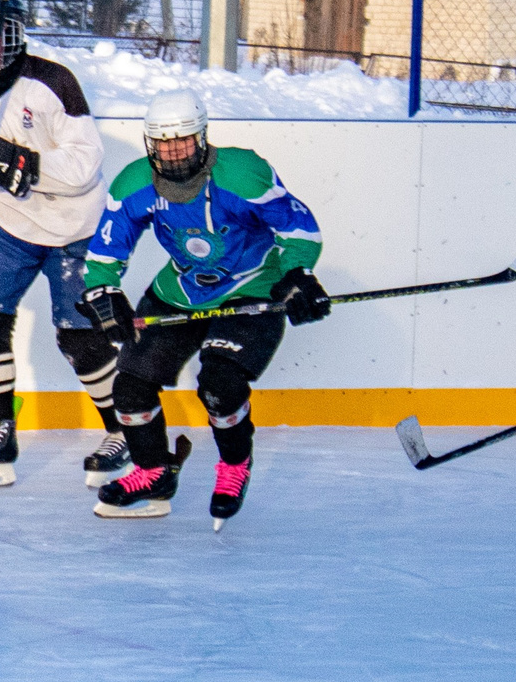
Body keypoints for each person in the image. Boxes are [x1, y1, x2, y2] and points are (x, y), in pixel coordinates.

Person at [80, 88, 329, 525]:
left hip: (252, 290)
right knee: (130, 387)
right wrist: (104, 292)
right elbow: (106, 249)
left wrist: (296, 275)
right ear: (149, 143)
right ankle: (153, 472)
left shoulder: (243, 174)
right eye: (162, 142)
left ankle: (234, 466)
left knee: (219, 382)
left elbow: (301, 229)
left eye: (183, 140)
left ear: (203, 136)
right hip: (179, 291)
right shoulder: (134, 183)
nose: (173, 151)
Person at [0, 0, 122, 488]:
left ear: (20, 31)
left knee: (79, 336)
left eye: (2, 30)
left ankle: (124, 431)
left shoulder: (52, 83)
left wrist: (22, 162)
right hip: (8, 223)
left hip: (74, 225)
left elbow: (84, 166)